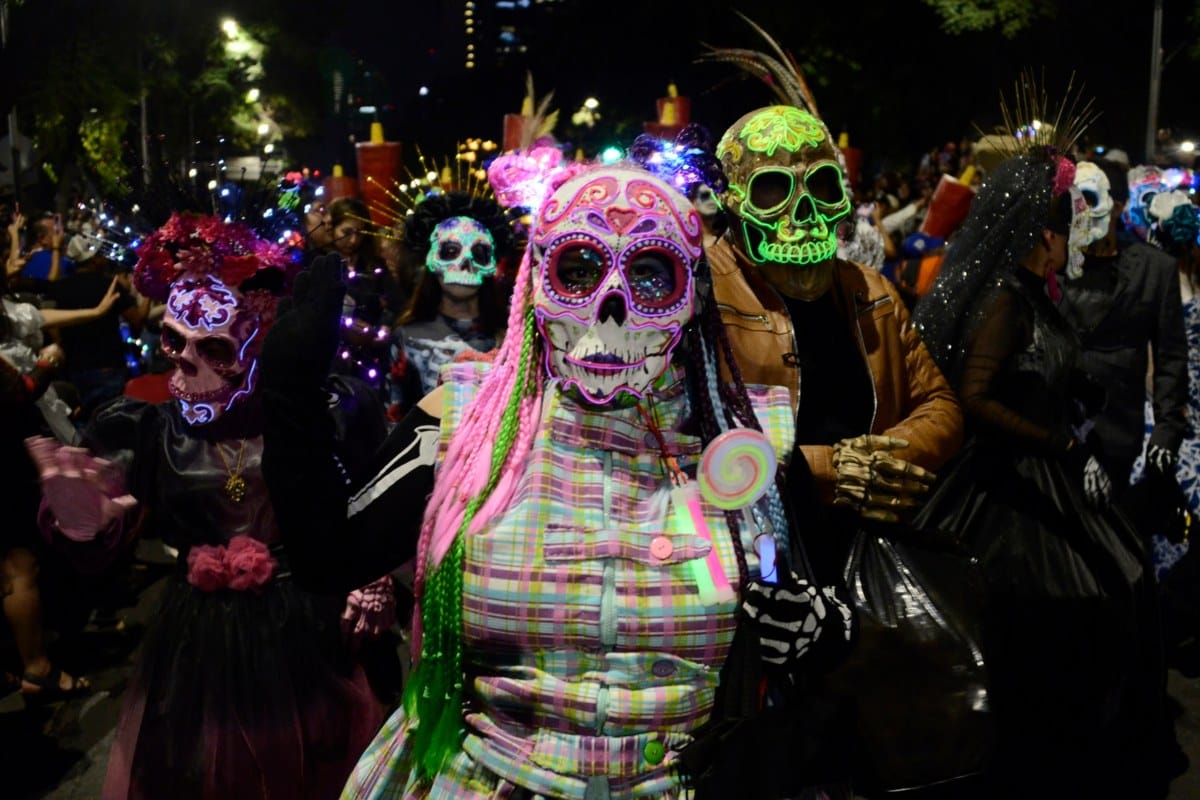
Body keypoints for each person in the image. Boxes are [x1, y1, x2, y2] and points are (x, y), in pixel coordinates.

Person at [258, 163, 847, 798]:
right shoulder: (469, 424)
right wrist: (290, 397)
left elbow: (818, 590)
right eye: (580, 270)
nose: (612, 309)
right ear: (537, 281)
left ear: (694, 295)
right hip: (488, 776)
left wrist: (820, 626)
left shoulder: (741, 438)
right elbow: (328, 556)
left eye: (651, 275)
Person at [25, 211, 386, 799]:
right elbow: (97, 543)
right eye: (174, 343)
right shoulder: (150, 429)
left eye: (214, 348)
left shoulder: (317, 414)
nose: (185, 367)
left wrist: (370, 576)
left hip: (306, 627)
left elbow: (367, 499)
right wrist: (82, 520)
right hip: (200, 641)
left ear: (259, 342)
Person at [912, 138, 1163, 796]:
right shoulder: (1005, 299)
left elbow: (1037, 369)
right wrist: (1065, 446)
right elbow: (976, 396)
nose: (1071, 243)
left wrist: (1075, 394)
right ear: (1043, 235)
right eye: (1065, 229)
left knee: (1111, 589)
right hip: (1010, 493)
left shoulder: (1031, 294)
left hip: (1045, 478)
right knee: (1054, 621)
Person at [1058, 158, 1188, 494]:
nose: (1080, 212)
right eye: (1073, 202)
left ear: (1117, 206)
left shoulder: (1154, 269)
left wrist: (1166, 431)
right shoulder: (1053, 261)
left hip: (1116, 431)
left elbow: (1171, 357)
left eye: (1089, 199)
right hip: (1053, 430)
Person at [386, 191, 513, 420]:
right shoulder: (407, 336)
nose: (465, 263)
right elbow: (396, 416)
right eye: (451, 251)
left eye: (479, 254)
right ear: (432, 261)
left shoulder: (511, 337)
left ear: (491, 264)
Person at [46, 234, 153, 422]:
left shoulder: (59, 287)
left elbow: (53, 327)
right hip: (108, 368)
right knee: (112, 425)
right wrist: (150, 290)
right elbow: (137, 321)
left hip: (74, 370)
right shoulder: (109, 286)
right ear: (94, 259)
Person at [328, 197, 404, 394]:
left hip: (372, 355)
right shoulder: (323, 262)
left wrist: (385, 326)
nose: (353, 240)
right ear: (332, 228)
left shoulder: (373, 264)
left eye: (359, 233)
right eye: (346, 232)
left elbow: (396, 301)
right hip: (334, 356)